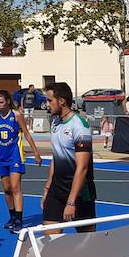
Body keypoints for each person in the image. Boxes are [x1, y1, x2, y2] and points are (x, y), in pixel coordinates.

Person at [0, 88, 42, 232]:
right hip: (1, 155)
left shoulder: (16, 115)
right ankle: (12, 217)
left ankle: (19, 220)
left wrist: (36, 152)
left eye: (1, 102)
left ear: (8, 102)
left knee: (15, 187)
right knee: (7, 189)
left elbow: (26, 134)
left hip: (15, 155)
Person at [42, 82, 95, 230]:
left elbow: (82, 167)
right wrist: (47, 189)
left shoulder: (80, 126)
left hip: (79, 193)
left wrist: (71, 202)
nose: (47, 105)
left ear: (61, 101)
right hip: (56, 190)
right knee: (50, 238)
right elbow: (56, 156)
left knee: (87, 240)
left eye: (50, 100)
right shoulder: (56, 122)